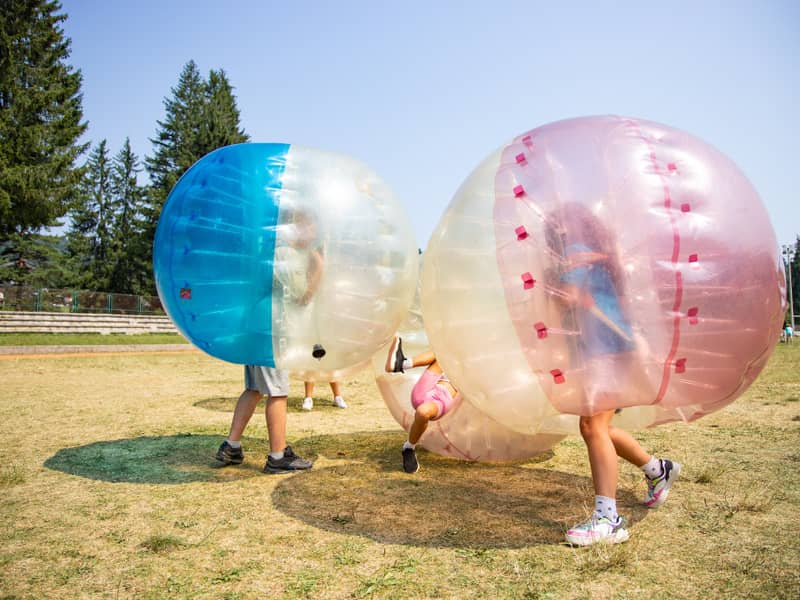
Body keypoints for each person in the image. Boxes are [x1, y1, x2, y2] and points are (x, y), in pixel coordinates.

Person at [547, 205, 680, 546]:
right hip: (610, 347)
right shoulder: (596, 254)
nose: (556, 230)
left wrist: (549, 285)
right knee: (598, 427)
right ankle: (658, 470)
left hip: (606, 348)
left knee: (592, 426)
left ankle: (609, 519)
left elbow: (568, 298)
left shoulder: (576, 252)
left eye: (560, 224)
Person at [215, 365, 313, 474]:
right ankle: (278, 457)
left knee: (254, 388)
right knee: (278, 392)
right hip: (272, 354)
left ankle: (231, 446)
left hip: (254, 353)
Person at [384, 337, 460, 473]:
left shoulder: (468, 372)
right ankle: (401, 364)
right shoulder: (446, 360)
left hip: (440, 401)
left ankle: (409, 448)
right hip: (425, 391)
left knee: (423, 412)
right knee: (440, 354)